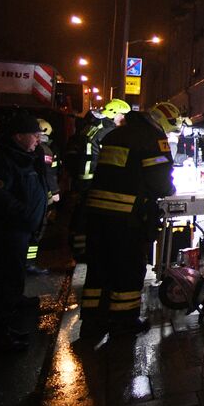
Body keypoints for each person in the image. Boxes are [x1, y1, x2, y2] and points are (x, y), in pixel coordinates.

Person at [80, 101, 179, 335]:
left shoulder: (117, 133)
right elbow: (160, 181)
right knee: (128, 267)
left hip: (97, 212)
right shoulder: (152, 138)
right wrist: (170, 189)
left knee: (99, 267)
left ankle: (93, 320)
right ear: (165, 122)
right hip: (128, 215)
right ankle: (124, 320)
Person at [0, 110, 49, 351]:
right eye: (34, 135)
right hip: (6, 232)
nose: (37, 139)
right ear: (18, 136)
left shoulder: (24, 158)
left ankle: (4, 329)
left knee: (12, 280)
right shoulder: (0, 161)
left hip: (19, 231)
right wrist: (23, 214)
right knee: (2, 283)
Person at [63, 99, 127, 263]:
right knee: (86, 217)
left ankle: (79, 248)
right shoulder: (102, 130)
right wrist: (86, 184)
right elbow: (89, 158)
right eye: (123, 117)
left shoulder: (96, 127)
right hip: (91, 182)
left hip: (89, 181)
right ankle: (82, 253)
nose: (124, 121)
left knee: (83, 215)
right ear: (116, 114)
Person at [26, 117, 60, 275]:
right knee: (37, 230)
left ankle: (26, 261)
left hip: (34, 195)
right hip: (41, 196)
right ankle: (29, 263)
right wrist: (55, 192)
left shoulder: (32, 150)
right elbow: (48, 174)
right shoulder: (45, 151)